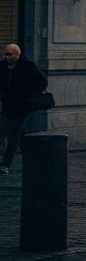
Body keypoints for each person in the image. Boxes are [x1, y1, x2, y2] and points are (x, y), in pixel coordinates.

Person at [0, 44, 46, 175]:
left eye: (9, 54)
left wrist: (29, 93)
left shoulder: (27, 65)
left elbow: (42, 82)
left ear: (17, 54)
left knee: (13, 134)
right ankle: (35, 160)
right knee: (22, 136)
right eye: (5, 54)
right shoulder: (3, 66)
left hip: (23, 106)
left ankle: (5, 164)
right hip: (9, 107)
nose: (6, 57)